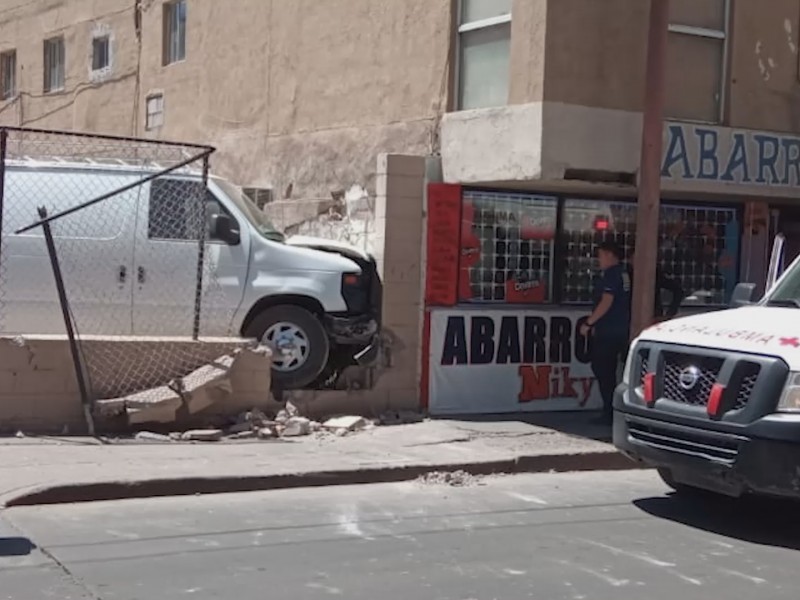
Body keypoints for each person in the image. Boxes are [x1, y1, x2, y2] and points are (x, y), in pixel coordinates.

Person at [580, 241, 631, 426]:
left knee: (603, 370)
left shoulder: (612, 274)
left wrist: (589, 322)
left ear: (610, 255)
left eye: (600, 255)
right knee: (616, 371)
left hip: (609, 330)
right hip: (622, 329)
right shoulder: (625, 273)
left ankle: (609, 412)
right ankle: (616, 411)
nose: (598, 259)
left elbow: (606, 301)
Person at [628, 250, 685, 321]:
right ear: (630, 260)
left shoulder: (655, 274)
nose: (638, 262)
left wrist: (670, 313)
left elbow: (678, 290)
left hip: (653, 317)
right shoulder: (626, 275)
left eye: (641, 259)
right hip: (629, 317)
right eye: (635, 259)